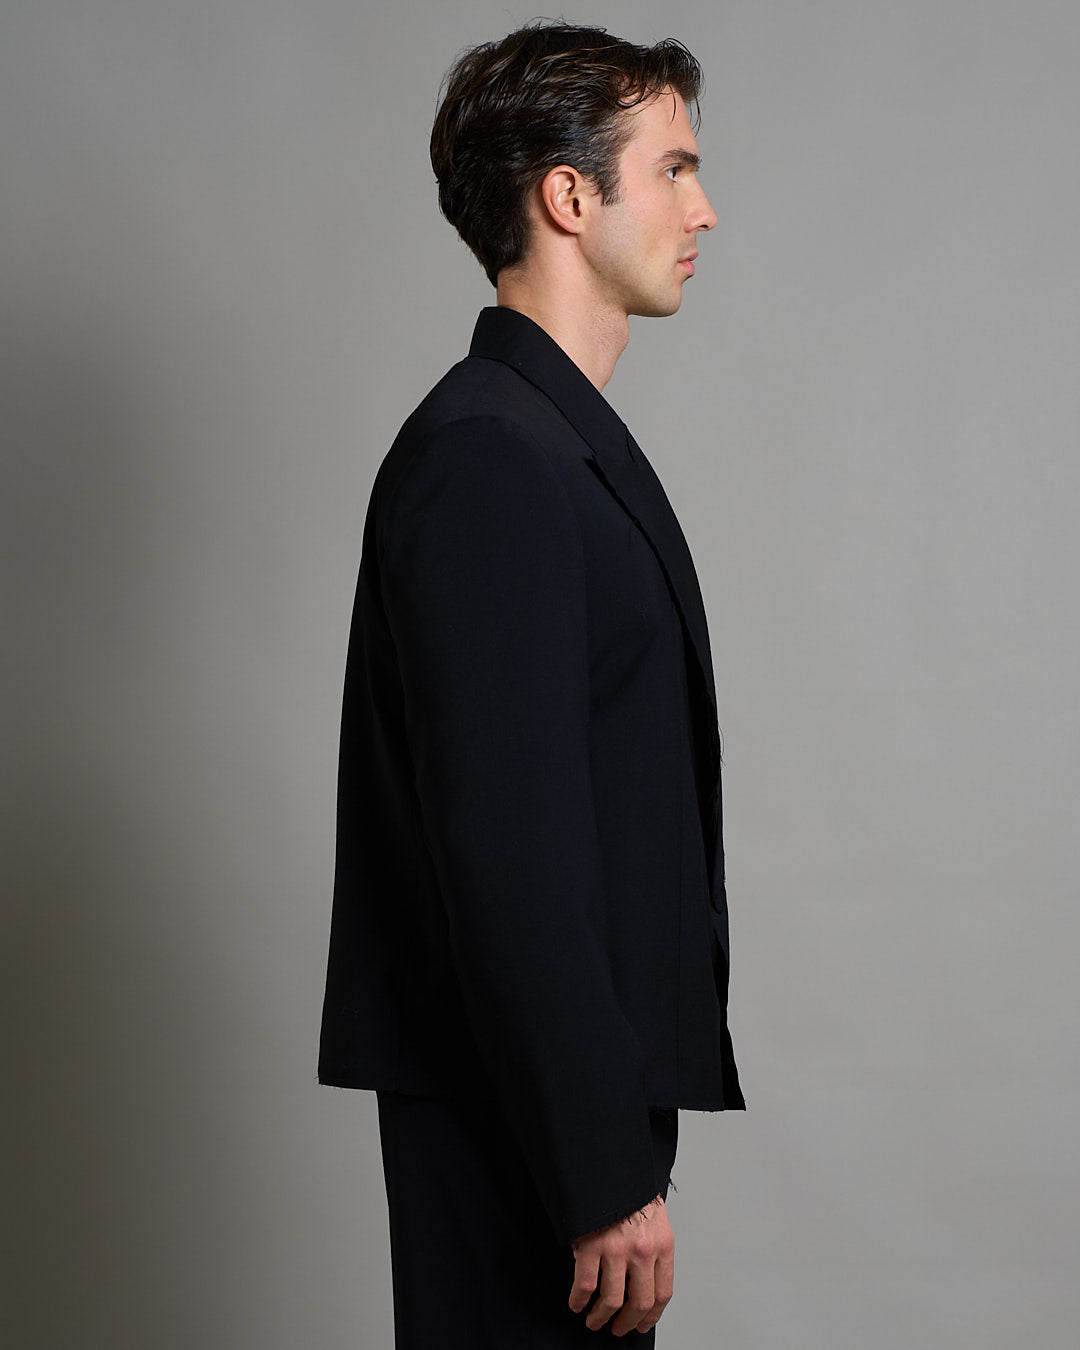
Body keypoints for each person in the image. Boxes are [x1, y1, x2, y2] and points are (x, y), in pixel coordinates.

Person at [317, 20, 745, 1347]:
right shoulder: (493, 458)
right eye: (673, 169)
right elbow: (506, 849)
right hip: (527, 1123)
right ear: (569, 196)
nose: (703, 210)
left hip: (556, 1106)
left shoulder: (541, 441)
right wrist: (600, 1165)